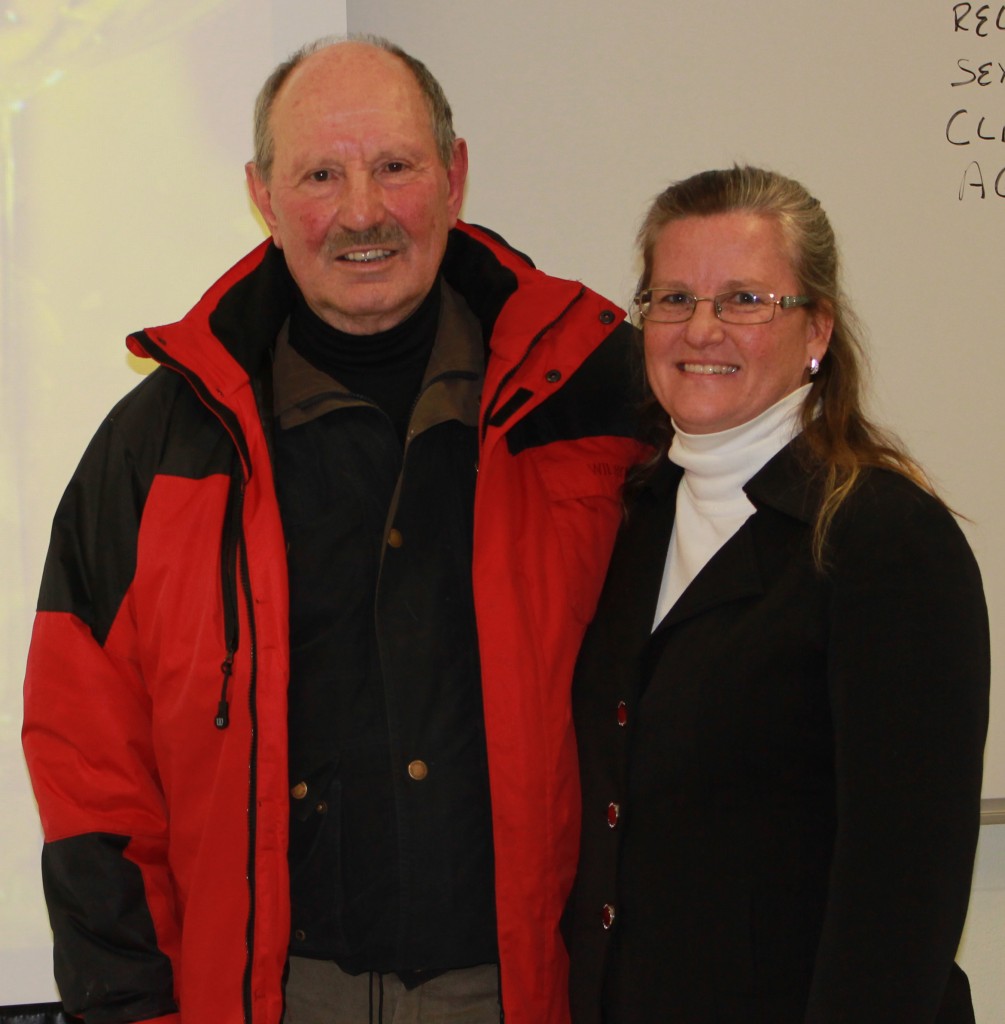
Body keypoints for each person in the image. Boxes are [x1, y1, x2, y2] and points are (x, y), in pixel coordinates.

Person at [22, 36, 647, 1024]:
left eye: (395, 166)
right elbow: (89, 763)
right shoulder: (155, 452)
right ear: (264, 196)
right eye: (321, 173)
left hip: (519, 992)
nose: (363, 212)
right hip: (267, 1000)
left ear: (455, 174)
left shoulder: (593, 402)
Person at [564, 166, 990, 1023]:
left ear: (816, 331)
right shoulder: (631, 517)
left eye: (746, 299)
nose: (701, 328)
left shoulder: (884, 542)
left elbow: (902, 895)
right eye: (673, 297)